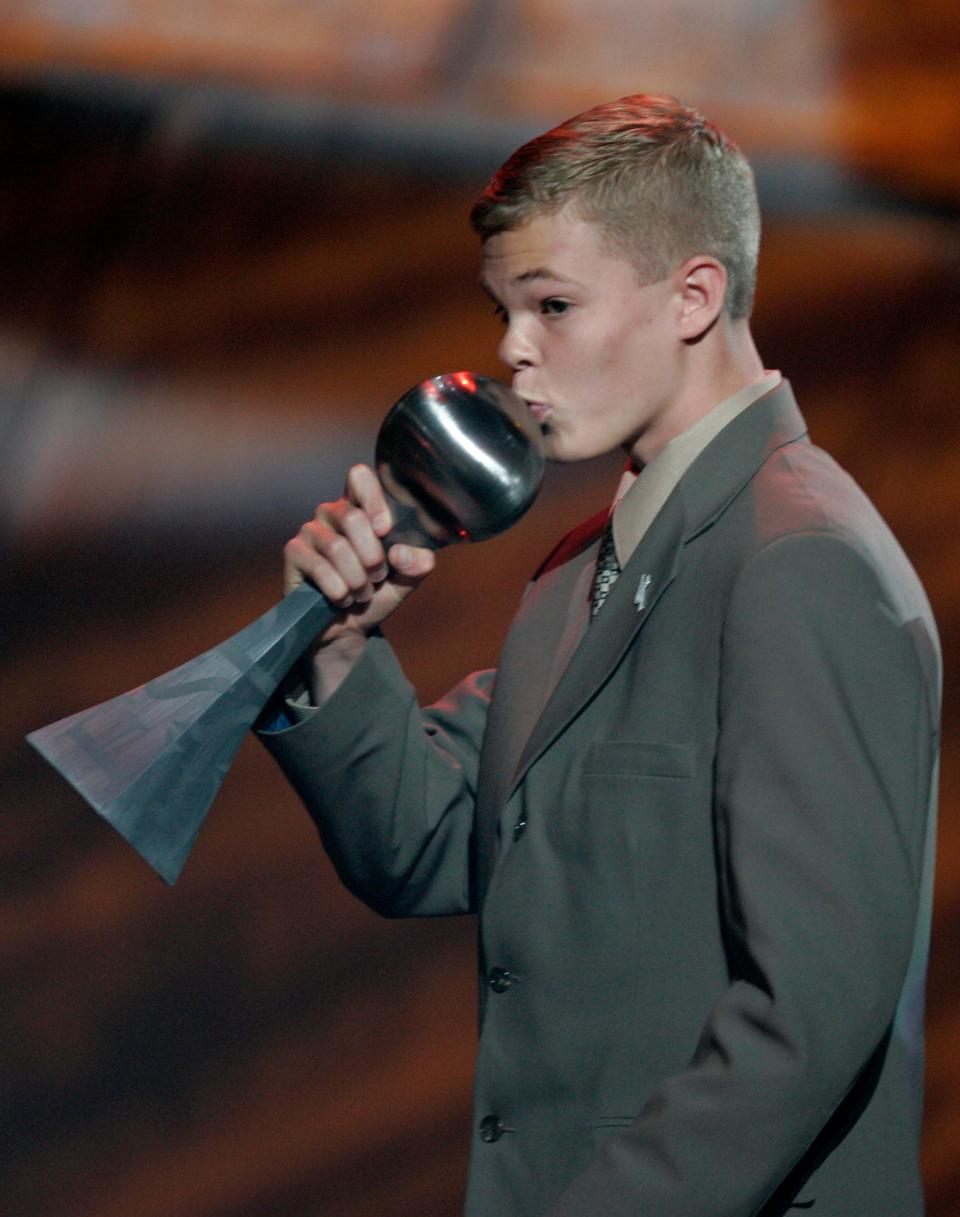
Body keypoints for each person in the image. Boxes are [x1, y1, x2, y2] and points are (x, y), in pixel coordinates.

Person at [258, 94, 941, 1216]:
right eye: (504, 309)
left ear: (695, 295)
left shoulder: (799, 560)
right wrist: (334, 649)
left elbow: (808, 1016)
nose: (511, 348)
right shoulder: (586, 564)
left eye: (553, 305)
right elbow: (431, 841)